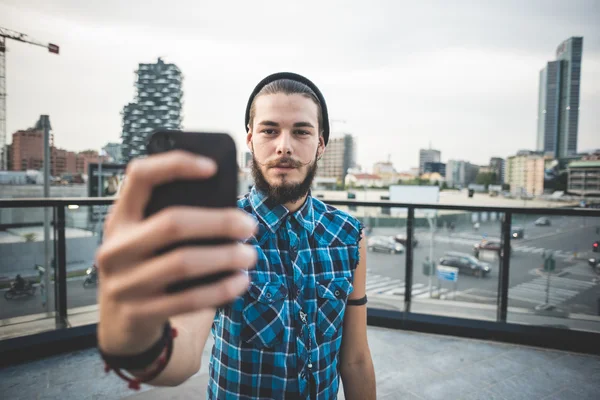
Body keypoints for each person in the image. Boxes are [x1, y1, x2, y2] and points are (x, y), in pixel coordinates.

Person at [96, 72, 376, 399]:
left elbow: (355, 359)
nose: (284, 146)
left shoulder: (348, 235)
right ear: (250, 140)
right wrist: (135, 339)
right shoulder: (219, 231)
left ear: (321, 144)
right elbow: (183, 353)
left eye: (301, 132)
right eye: (269, 131)